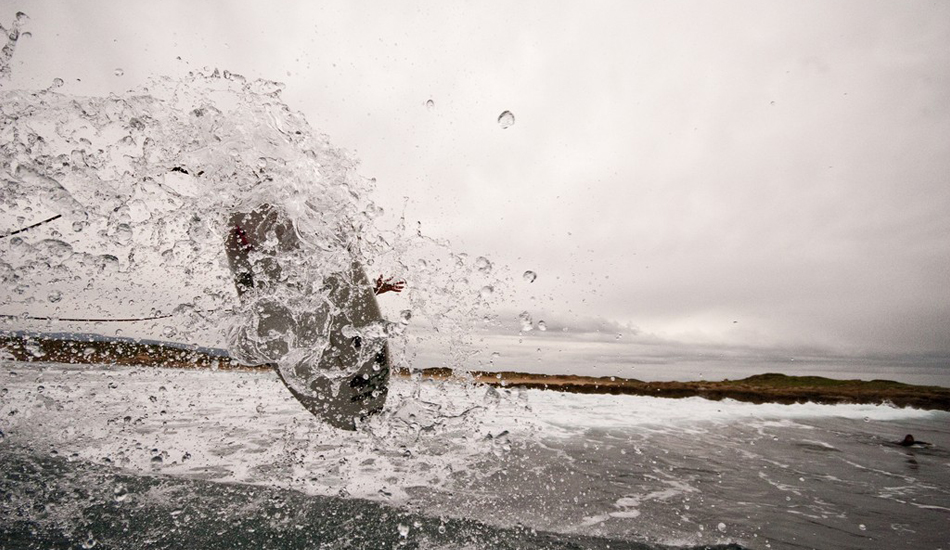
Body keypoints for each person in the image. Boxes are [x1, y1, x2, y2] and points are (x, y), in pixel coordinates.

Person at [224, 204, 404, 430]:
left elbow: (325, 293)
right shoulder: (300, 225)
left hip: (266, 238)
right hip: (280, 230)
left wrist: (370, 292)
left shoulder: (278, 229)